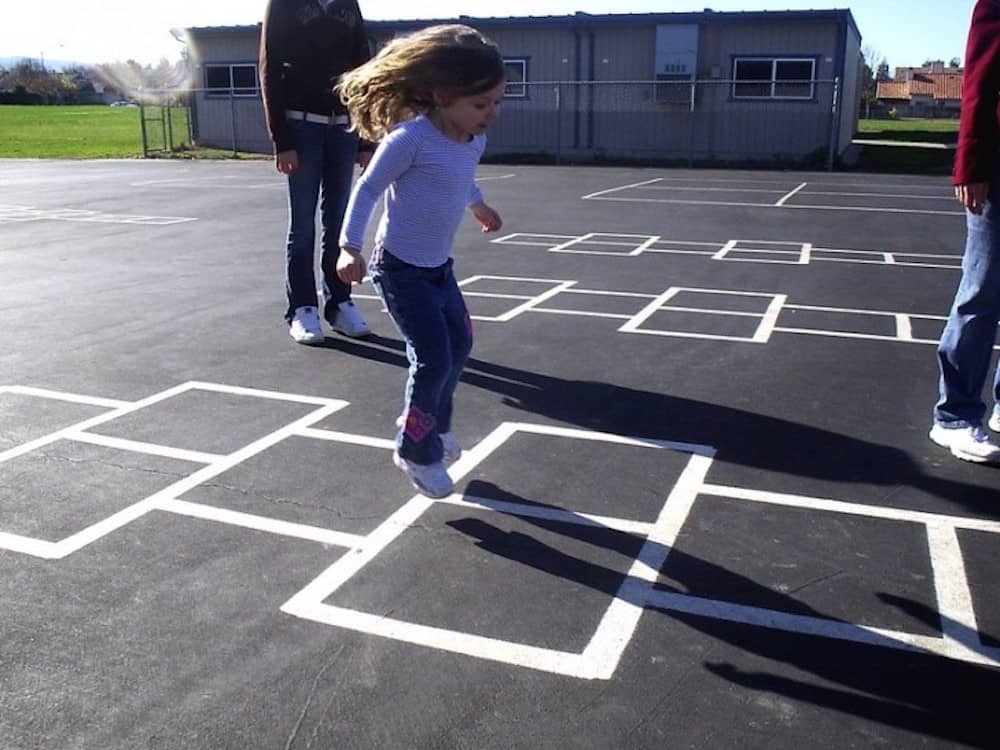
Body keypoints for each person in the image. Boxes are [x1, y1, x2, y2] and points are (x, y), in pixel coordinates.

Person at [335, 25, 505, 497]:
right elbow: (368, 189)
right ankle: (414, 448)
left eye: (496, 101)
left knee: (460, 345)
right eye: (479, 104)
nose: (489, 114)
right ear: (443, 96)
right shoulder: (409, 139)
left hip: (438, 268)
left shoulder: (472, 139)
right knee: (431, 358)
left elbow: (462, 178)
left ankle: (433, 424)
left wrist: (478, 205)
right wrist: (349, 247)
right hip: (400, 269)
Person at [259, 0, 373, 345]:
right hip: (301, 126)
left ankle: (339, 302)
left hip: (343, 128)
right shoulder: (284, 4)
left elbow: (364, 69)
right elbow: (269, 68)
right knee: (303, 226)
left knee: (338, 222)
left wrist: (366, 137)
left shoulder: (347, 4)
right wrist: (282, 139)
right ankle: (302, 308)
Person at [930, 0, 1000, 464]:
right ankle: (954, 415)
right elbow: (980, 78)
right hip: (997, 168)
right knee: (983, 289)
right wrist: (969, 165)